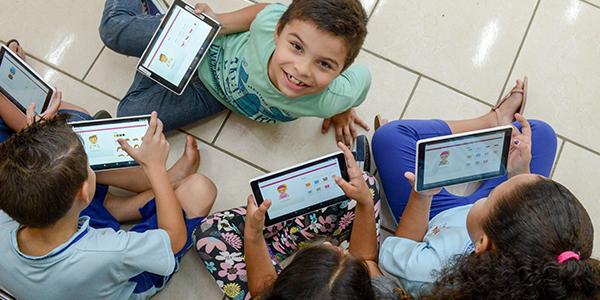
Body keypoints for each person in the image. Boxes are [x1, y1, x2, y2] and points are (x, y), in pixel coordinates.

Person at [371, 79, 600, 298]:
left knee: (389, 136)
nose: (501, 184)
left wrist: (421, 196)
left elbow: (401, 247)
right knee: (543, 134)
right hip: (487, 225)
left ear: (481, 243)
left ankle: (490, 121)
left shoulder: (428, 274)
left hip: (434, 217)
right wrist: (520, 170)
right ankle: (496, 127)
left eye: (492, 195)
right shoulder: (533, 264)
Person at [0, 112, 217, 299]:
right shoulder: (110, 250)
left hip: (67, 260)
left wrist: (35, 142)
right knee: (200, 188)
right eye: (89, 166)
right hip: (123, 279)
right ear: (84, 193)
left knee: (61, 180)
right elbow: (174, 241)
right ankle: (164, 182)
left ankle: (135, 199)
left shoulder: (7, 214)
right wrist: (155, 168)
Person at [99, 0, 371, 146]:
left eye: (324, 64)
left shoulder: (334, 96)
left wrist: (343, 109)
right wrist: (219, 21)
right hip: (206, 43)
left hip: (213, 95)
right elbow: (267, 11)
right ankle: (158, 32)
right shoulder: (269, 24)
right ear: (278, 32)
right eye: (297, 46)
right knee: (113, 30)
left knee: (129, 120)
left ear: (341, 71)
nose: (302, 69)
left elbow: (363, 79)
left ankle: (158, 32)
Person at [194, 142, 409, 299]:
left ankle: (272, 250)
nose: (327, 244)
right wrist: (363, 201)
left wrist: (253, 236)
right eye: (340, 252)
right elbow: (366, 259)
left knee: (209, 232)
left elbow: (260, 291)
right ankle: (274, 249)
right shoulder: (386, 296)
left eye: (328, 249)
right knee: (364, 187)